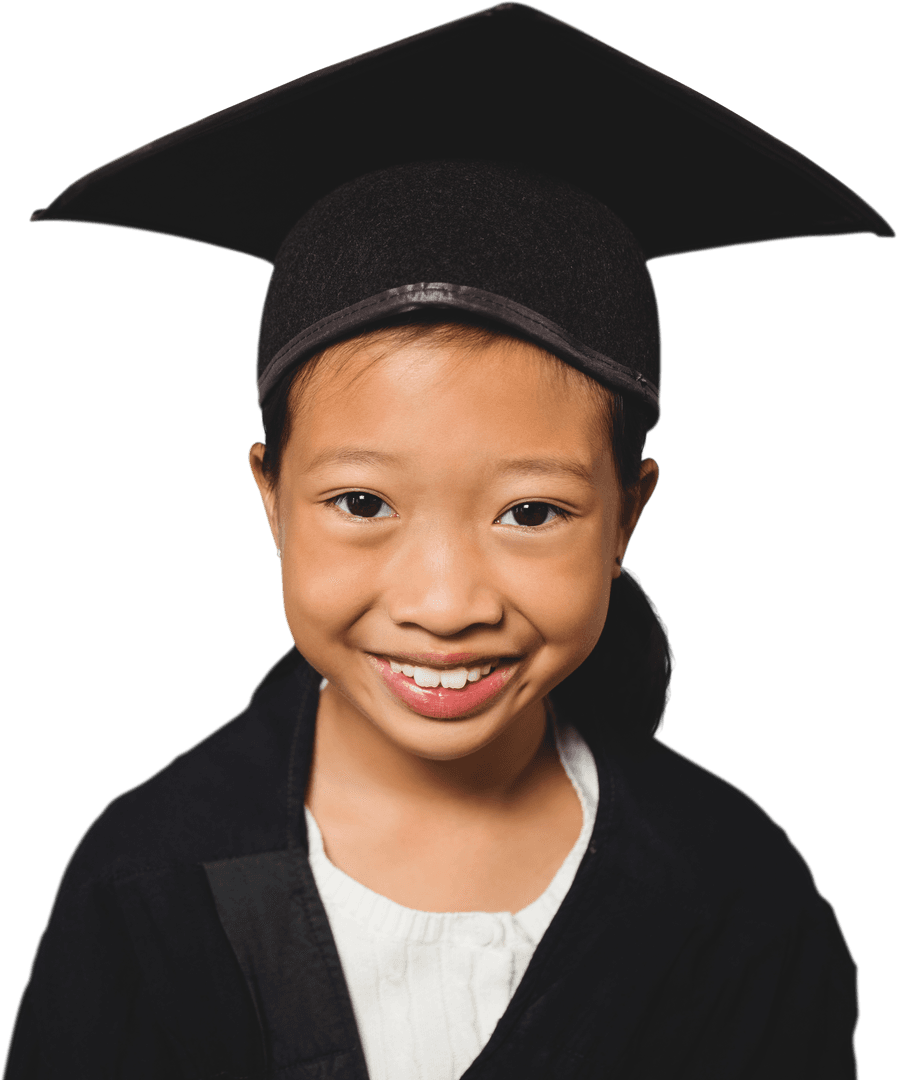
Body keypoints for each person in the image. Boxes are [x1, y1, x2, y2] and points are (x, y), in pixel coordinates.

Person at [3, 4, 892, 1078]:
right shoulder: (147, 882)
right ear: (271, 498)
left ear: (629, 514)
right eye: (363, 503)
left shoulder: (734, 894)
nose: (444, 599)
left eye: (531, 513)